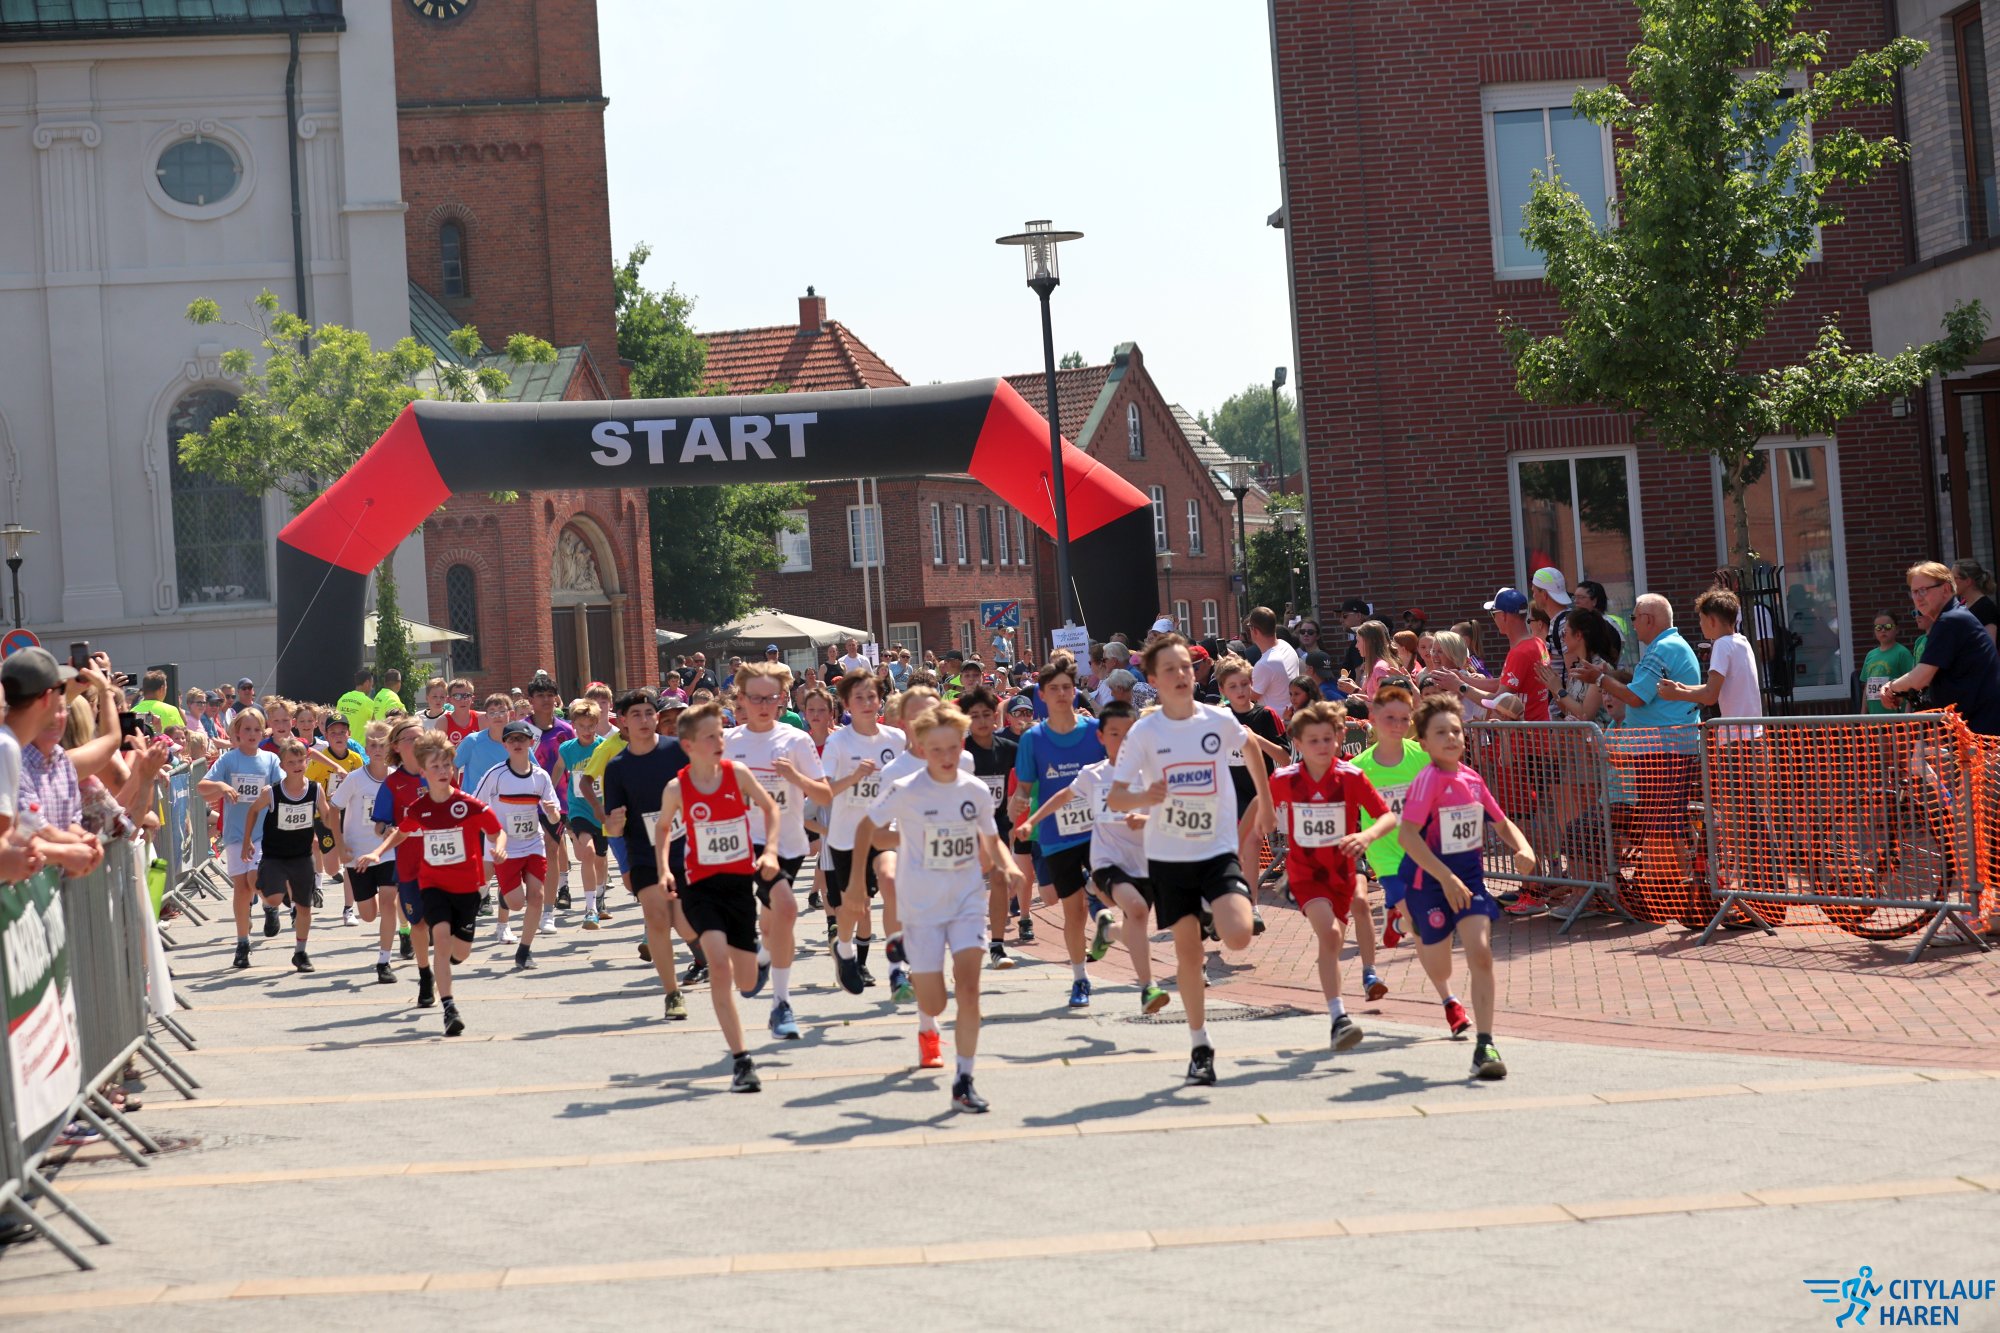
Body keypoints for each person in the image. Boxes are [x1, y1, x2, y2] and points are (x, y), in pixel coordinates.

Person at [1109, 634, 1275, 1086]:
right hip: (1169, 857)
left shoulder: (1217, 719)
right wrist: (1146, 795)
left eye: (1186, 666)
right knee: (1188, 957)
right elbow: (1117, 797)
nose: (1182, 675)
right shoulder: (1144, 733)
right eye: (1171, 669)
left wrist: (1265, 802)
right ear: (1153, 679)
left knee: (1238, 935)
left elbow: (1251, 747)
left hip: (1215, 850)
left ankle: (1210, 912)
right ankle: (1200, 1046)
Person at [859, 704, 1021, 1111]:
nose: (947, 757)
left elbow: (991, 840)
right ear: (921, 748)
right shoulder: (905, 788)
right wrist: (910, 839)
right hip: (922, 904)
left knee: (969, 988)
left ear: (961, 745)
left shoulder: (974, 790)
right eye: (936, 750)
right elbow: (874, 833)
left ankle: (964, 1080)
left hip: (966, 899)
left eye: (953, 748)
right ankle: (912, 972)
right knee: (935, 1003)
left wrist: (1008, 864)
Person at [1395, 692, 1536, 1080]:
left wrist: (1523, 847)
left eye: (1456, 730)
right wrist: (1445, 877)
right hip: (1429, 883)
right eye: (1441, 732)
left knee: (1481, 954)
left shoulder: (1472, 779)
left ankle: (1484, 1045)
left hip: (1469, 882)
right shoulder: (1427, 781)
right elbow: (1408, 837)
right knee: (1440, 965)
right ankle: (1414, 923)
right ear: (1424, 743)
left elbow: (1501, 822)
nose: (1451, 738)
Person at [652, 701, 781, 1093]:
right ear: (688, 745)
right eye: (710, 736)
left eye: (721, 733)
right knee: (719, 964)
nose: (720, 741)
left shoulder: (737, 774)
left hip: (738, 886)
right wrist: (664, 868)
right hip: (700, 887)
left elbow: (770, 808)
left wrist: (770, 851)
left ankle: (759, 956)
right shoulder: (677, 788)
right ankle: (742, 1062)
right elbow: (662, 829)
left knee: (747, 981)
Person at [353, 730, 505, 1037]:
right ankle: (449, 1008)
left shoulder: (467, 804)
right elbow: (402, 831)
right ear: (423, 772)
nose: (442, 771)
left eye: (446, 765)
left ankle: (448, 964)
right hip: (432, 884)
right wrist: (377, 852)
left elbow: (496, 830)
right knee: (440, 936)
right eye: (435, 766)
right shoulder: (420, 807)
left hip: (466, 886)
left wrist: (499, 847)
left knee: (460, 953)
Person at [1268, 700, 1396, 1049]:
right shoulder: (1284, 779)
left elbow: (1386, 816)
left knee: (1342, 929)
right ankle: (1338, 1017)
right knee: (1330, 935)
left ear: (1338, 738)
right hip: (1307, 873)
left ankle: (1368, 973)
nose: (1323, 746)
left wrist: (1367, 836)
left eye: (1328, 738)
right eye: (1314, 740)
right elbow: (1259, 810)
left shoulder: (1351, 776)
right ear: (1298, 743)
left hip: (1344, 866)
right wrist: (1256, 826)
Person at [726, 662, 830, 1038]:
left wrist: (795, 777)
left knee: (772, 921)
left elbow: (824, 794)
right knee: (786, 908)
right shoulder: (729, 742)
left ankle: (765, 956)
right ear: (741, 699)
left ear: (783, 698)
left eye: (771, 698)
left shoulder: (796, 740)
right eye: (755, 698)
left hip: (789, 842)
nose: (764, 705)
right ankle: (781, 1004)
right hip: (745, 843)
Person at [1009, 659, 1105, 1007]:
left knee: (1112, 893)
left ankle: (1098, 901)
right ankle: (1080, 979)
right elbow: (1024, 787)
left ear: (1075, 690)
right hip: (1055, 832)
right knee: (1072, 910)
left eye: (1067, 687)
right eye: (1054, 689)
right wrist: (1017, 805)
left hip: (1098, 830)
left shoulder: (1096, 731)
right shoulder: (1033, 739)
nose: (1062, 694)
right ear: (1042, 695)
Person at [599, 690, 694, 1020]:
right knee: (657, 917)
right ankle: (672, 993)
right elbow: (613, 826)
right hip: (644, 854)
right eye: (635, 714)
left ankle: (706, 954)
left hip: (686, 850)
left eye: (649, 713)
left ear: (657, 717)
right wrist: (614, 827)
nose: (643, 719)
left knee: (684, 921)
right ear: (623, 722)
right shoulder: (617, 767)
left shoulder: (678, 751)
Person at [822, 671, 907, 986]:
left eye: (872, 696)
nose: (867, 702)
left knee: (890, 880)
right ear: (846, 704)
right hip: (847, 836)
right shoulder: (838, 742)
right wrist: (854, 777)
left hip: (883, 831)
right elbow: (825, 791)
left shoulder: (896, 739)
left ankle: (896, 968)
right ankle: (843, 949)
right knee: (856, 907)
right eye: (859, 697)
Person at [472, 720, 565, 970]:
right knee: (516, 903)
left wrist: (551, 812)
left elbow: (555, 817)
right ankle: (504, 894)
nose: (517, 743)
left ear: (530, 743)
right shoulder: (495, 775)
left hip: (533, 843)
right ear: (504, 744)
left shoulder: (540, 776)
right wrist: (488, 833)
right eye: (511, 739)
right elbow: (475, 806)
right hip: (506, 847)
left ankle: (524, 951)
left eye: (521, 739)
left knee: (537, 896)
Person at [197, 706, 284, 969]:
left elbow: (283, 788)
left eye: (257, 729)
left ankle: (269, 906)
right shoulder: (228, 760)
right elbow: (202, 787)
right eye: (247, 729)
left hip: (263, 833)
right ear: (237, 732)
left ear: (263, 731)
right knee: (242, 889)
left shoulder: (270, 759)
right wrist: (221, 786)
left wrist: (273, 792)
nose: (252, 734)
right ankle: (243, 943)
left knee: (254, 879)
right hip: (235, 833)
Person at [240, 737, 333, 974]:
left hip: (302, 855)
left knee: (304, 907)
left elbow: (327, 816)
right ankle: (271, 902)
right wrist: (247, 840)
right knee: (273, 899)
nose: (297, 765)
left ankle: (300, 952)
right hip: (275, 855)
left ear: (307, 761)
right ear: (282, 765)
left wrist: (338, 831)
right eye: (291, 762)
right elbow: (252, 811)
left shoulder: (315, 790)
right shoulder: (272, 792)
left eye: (301, 760)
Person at [1882, 561, 2000, 735]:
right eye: (1914, 592)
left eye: (1923, 590)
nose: (1918, 598)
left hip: (1982, 731)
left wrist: (1891, 687)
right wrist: (1901, 691)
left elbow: (1920, 678)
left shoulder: (1950, 620)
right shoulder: (1952, 617)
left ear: (1945, 589)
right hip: (1971, 730)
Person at [961, 686, 1028, 970]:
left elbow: (1026, 777)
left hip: (996, 824)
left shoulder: (1008, 748)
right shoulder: (961, 751)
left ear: (996, 716)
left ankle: (997, 946)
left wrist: (1019, 800)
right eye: (975, 715)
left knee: (1000, 879)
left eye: (986, 714)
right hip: (963, 828)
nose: (982, 721)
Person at [371, 719, 437, 1001]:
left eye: (419, 737)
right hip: (409, 864)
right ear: (396, 747)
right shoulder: (392, 783)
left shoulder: (438, 772)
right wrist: (387, 830)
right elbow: (379, 824)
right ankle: (425, 975)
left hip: (441, 862)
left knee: (441, 925)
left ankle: (440, 969)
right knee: (418, 923)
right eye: (409, 738)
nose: (416, 742)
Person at [328, 720, 398, 984]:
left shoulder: (396, 778)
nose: (378, 750)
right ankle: (374, 905)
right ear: (366, 748)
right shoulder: (355, 779)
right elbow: (333, 808)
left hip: (387, 851)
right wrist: (339, 844)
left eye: (382, 745)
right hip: (357, 853)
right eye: (372, 745)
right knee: (368, 915)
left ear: (390, 747)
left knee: (389, 901)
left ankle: (384, 960)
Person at [553, 699, 610, 928]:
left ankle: (600, 897)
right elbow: (558, 770)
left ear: (597, 724)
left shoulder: (604, 747)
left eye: (591, 726)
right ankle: (590, 909)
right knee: (587, 852)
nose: (587, 731)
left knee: (601, 860)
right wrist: (548, 796)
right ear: (573, 726)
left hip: (602, 810)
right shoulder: (567, 749)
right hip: (578, 809)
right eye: (581, 726)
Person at [1538, 608, 1620, 729]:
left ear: (1578, 635)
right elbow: (1568, 710)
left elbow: (1585, 715)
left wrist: (1559, 689)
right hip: (1580, 739)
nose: (1562, 638)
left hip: (1599, 739)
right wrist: (1553, 687)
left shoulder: (1600, 668)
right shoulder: (1577, 667)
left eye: (1564, 633)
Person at [1246, 606, 1301, 722]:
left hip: (1275, 725)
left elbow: (1250, 696)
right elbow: (1271, 675)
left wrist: (1233, 670)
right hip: (1290, 721)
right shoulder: (1285, 645)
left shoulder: (1265, 664)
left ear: (1254, 630)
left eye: (1249, 627)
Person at [1861, 611, 1916, 714]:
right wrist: (1863, 716)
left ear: (1897, 629)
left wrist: (1907, 716)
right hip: (1874, 718)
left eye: (1888, 627)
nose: (1883, 630)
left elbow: (1911, 685)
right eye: (1878, 627)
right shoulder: (1870, 655)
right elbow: (1867, 688)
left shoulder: (1902, 653)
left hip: (1895, 716)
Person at [1529, 568, 1573, 689]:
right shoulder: (1559, 621)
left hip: (1566, 699)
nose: (1533, 596)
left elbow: (1573, 673)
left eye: (1534, 591)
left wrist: (1564, 697)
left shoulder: (1564, 624)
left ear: (1544, 594)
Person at [1953, 559, 2000, 644]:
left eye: (1954, 578)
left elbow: (1989, 645)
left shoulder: (1986, 608)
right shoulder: (1962, 604)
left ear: (1968, 581)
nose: (1951, 582)